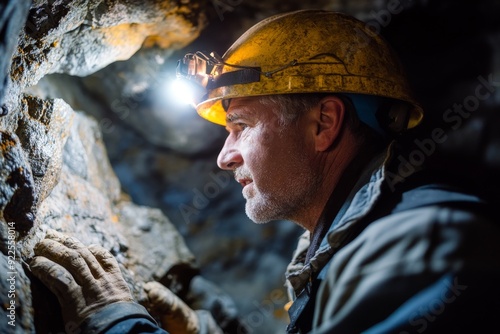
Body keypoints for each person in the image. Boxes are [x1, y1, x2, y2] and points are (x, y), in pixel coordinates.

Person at [31, 9, 500, 333]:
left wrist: (117, 323)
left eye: (241, 125)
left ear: (324, 123)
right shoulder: (347, 246)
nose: (224, 156)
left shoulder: (423, 242)